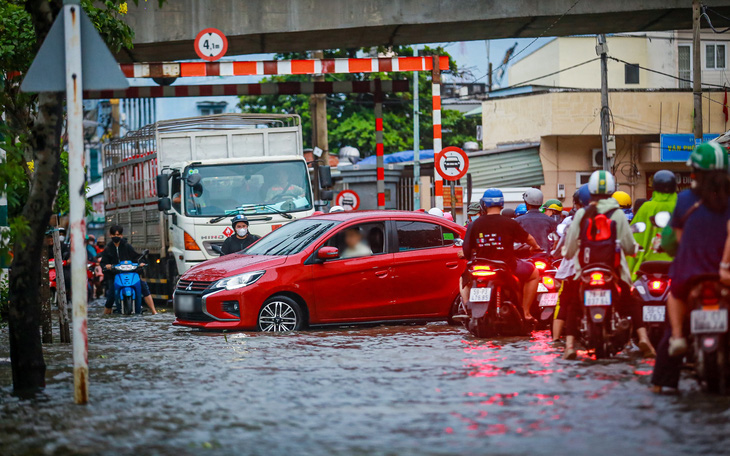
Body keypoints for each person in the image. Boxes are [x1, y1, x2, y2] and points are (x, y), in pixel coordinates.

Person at [652, 143, 730, 392]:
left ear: (695, 173)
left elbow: (677, 240)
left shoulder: (685, 199)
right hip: (724, 276)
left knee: (674, 299)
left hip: (689, 276)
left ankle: (665, 372)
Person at [562, 170, 655, 359]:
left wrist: (567, 253)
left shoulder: (581, 214)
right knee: (632, 300)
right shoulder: (618, 214)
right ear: (612, 190)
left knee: (572, 304)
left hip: (585, 273)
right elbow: (629, 246)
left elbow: (570, 248)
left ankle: (569, 346)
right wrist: (633, 250)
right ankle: (643, 338)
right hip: (613, 272)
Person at [461, 188, 541, 321]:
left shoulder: (474, 224)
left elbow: (467, 250)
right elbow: (529, 239)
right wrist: (536, 247)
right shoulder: (510, 223)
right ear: (502, 204)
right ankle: (526, 312)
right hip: (507, 266)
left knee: (462, 278)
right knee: (534, 274)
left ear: (484, 204)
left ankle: (467, 307)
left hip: (480, 265)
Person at [550, 184, 591, 342]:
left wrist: (554, 255)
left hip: (574, 270)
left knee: (565, 302)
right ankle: (630, 340)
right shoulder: (609, 217)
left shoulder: (572, 221)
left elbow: (562, 248)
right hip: (604, 267)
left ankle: (556, 339)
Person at [627, 170, 678, 279]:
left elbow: (634, 240)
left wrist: (629, 274)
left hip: (647, 268)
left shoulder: (645, 208)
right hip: (678, 267)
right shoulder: (681, 206)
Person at [100, 225, 157, 315]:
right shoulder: (108, 249)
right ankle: (106, 315)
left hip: (131, 274)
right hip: (115, 275)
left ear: (121, 235)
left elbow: (136, 257)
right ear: (110, 235)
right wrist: (107, 266)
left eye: (118, 235)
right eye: (114, 235)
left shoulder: (127, 246)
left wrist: (140, 263)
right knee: (111, 295)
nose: (116, 237)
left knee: (143, 287)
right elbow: (103, 262)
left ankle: (154, 311)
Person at [516, 188, 559, 253]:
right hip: (545, 258)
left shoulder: (518, 221)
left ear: (526, 203)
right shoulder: (551, 221)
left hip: (525, 258)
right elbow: (556, 241)